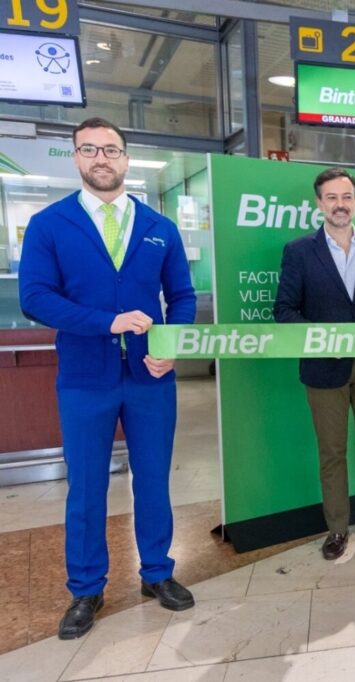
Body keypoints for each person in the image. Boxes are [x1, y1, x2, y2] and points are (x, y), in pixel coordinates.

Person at [18, 117, 197, 639]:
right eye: (90, 149)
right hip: (83, 380)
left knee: (154, 480)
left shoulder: (159, 227)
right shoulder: (51, 224)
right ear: (76, 157)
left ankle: (158, 573)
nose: (102, 158)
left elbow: (181, 298)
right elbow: (35, 297)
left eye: (112, 150)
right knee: (87, 487)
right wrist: (106, 322)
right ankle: (87, 588)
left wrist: (171, 344)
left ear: (126, 158)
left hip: (150, 378)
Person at [273, 167, 355, 561]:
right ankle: (337, 529)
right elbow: (284, 310)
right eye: (331, 198)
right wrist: (322, 337)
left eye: (346, 197)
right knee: (332, 452)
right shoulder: (298, 251)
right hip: (324, 368)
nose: (340, 205)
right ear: (319, 204)